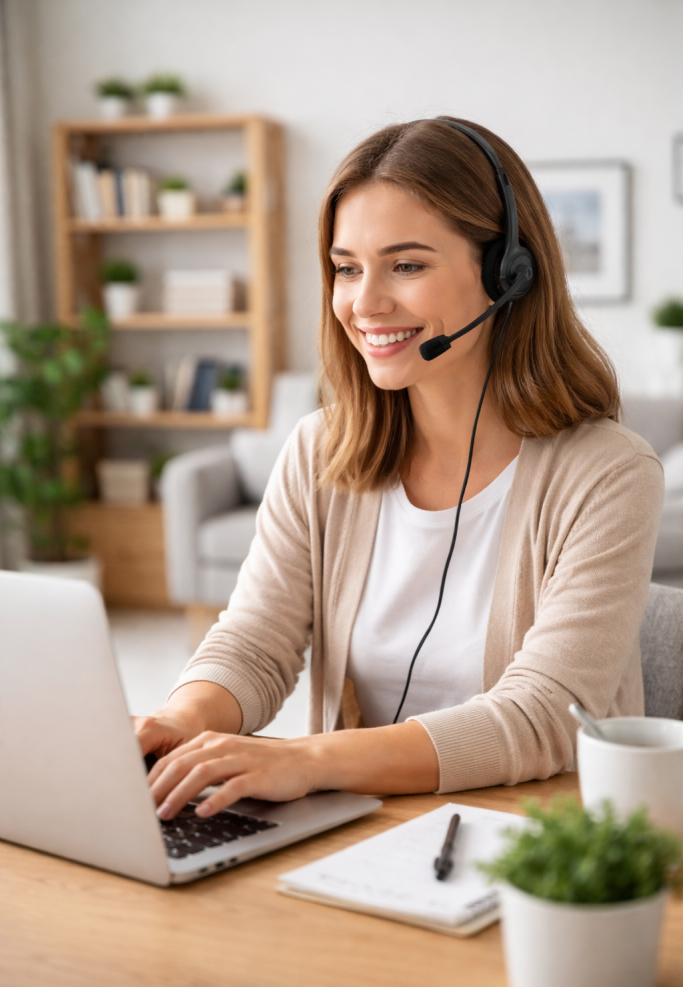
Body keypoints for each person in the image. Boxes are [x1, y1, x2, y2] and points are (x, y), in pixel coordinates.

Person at [136, 117, 663, 821]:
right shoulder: (320, 451)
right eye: (346, 268)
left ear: (506, 274)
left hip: (536, 836)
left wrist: (306, 760)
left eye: (406, 266)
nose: (365, 303)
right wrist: (182, 720)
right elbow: (255, 642)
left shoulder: (607, 474)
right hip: (357, 825)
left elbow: (543, 715)